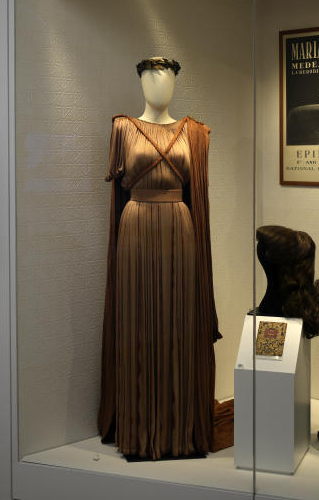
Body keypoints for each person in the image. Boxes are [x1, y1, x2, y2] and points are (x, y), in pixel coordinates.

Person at [98, 57, 220, 460]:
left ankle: (180, 428)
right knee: (135, 322)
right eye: (150, 77)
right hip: (135, 231)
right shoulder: (121, 128)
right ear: (139, 82)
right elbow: (116, 201)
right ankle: (137, 430)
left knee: (180, 323)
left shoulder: (195, 132)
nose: (158, 85)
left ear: (176, 82)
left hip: (180, 230)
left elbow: (197, 199)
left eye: (166, 77)